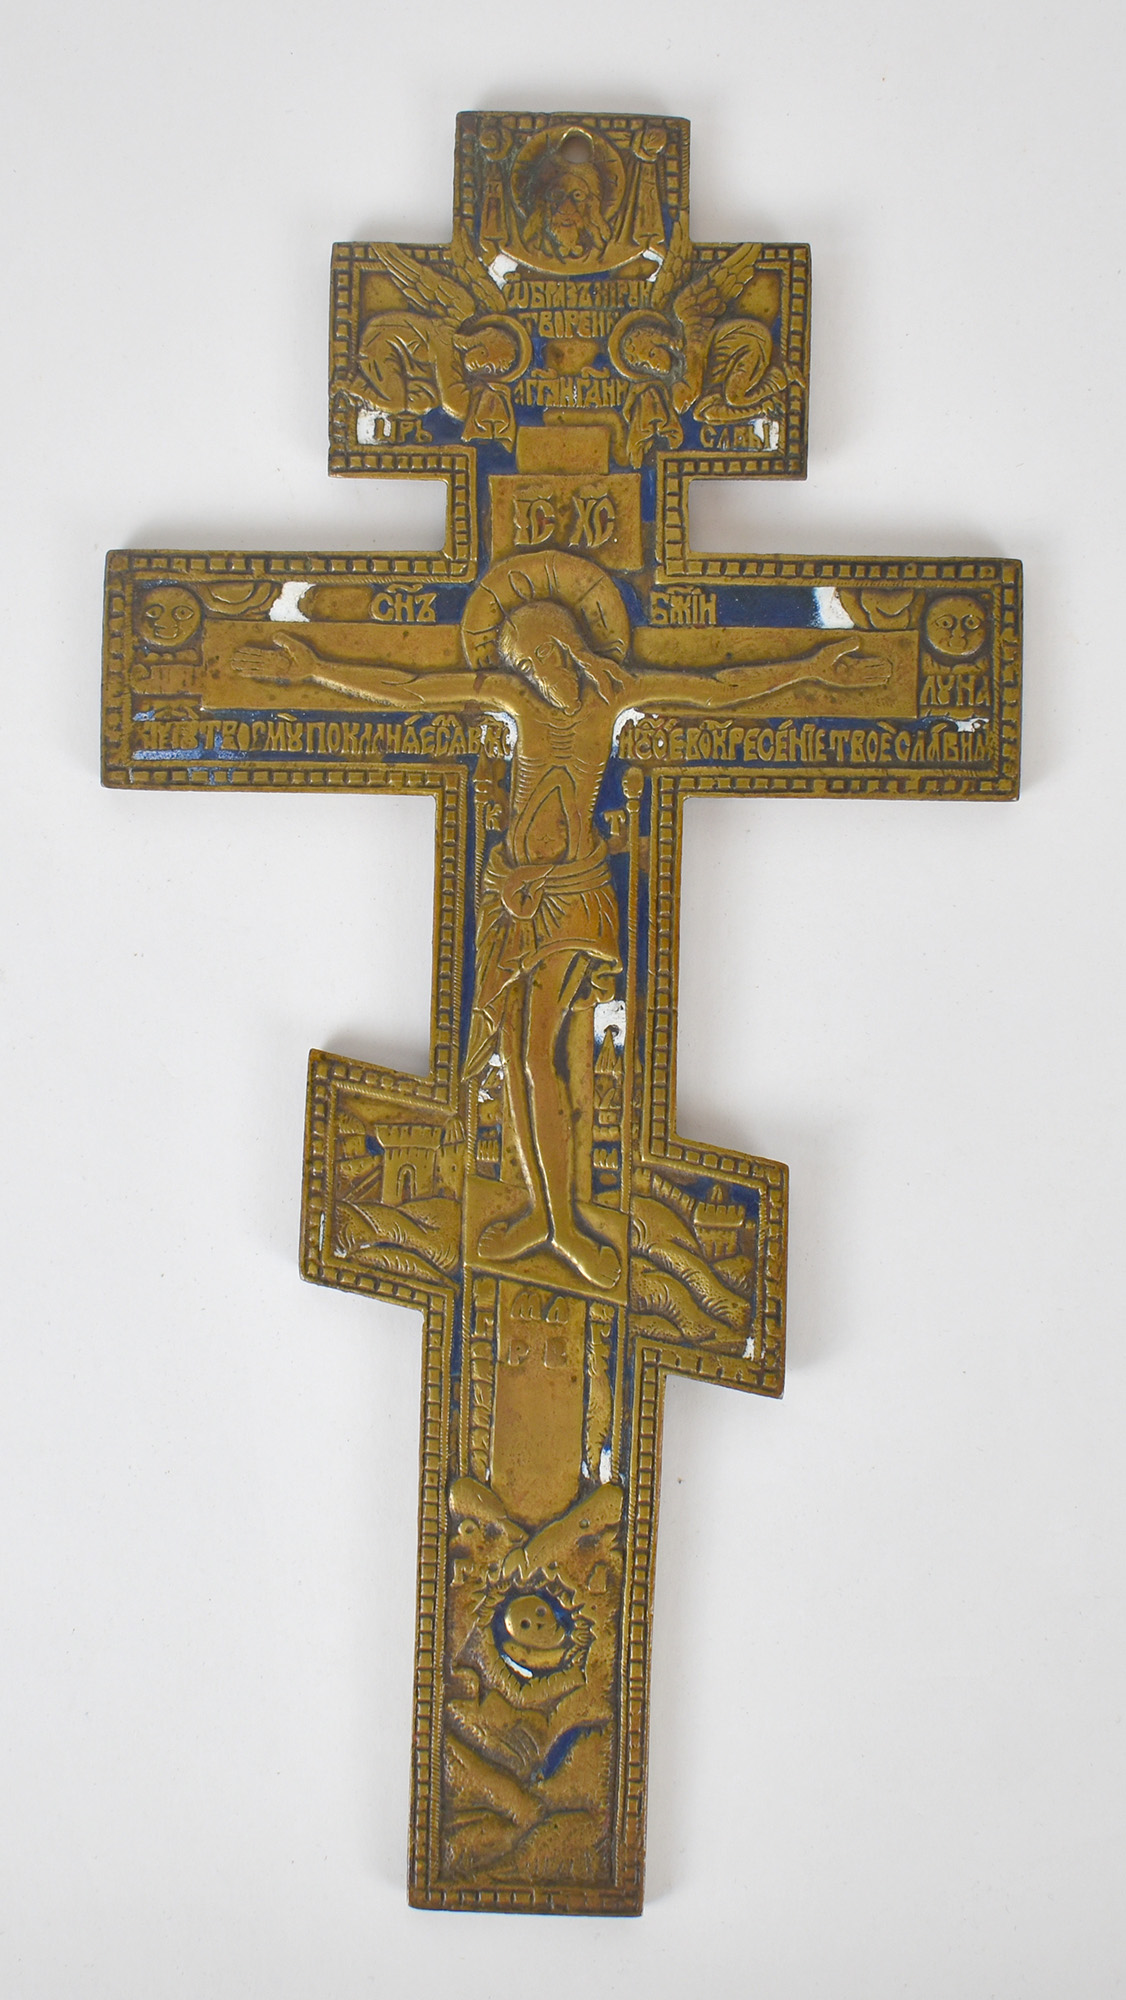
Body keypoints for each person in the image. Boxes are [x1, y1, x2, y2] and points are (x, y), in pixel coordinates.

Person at [228, 553, 890, 1289]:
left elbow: (717, 687)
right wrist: (315, 670)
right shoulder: (514, 700)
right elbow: (412, 687)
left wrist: (809, 669)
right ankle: (543, 1216)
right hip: (511, 899)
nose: (527, 675)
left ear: (561, 648)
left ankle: (565, 1225)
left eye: (533, 660)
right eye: (518, 666)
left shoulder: (616, 697)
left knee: (540, 1053)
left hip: (569, 897)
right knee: (519, 1055)